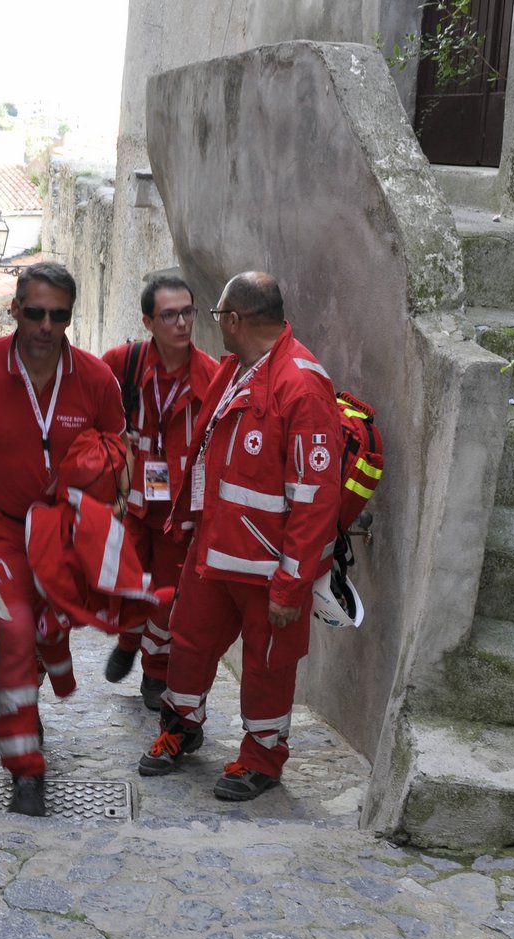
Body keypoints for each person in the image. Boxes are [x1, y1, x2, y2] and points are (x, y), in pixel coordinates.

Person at [137, 271, 342, 801]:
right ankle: (182, 726)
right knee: (188, 642)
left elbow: (315, 496)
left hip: (268, 569)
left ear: (234, 319)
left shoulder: (301, 383)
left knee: (268, 667)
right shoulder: (236, 370)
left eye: (216, 316)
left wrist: (291, 584)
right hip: (214, 551)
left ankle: (263, 758)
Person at [0, 262, 125, 816]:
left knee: (45, 629)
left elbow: (120, 452)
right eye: (36, 312)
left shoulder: (95, 379)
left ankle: (43, 668)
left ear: (69, 318)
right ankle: (24, 767)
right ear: (14, 310)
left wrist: (110, 507)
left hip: (64, 533)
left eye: (59, 315)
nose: (46, 325)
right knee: (16, 633)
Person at [100, 276, 218, 709]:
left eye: (188, 312)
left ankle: (154, 670)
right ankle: (129, 639)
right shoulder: (122, 363)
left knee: (168, 596)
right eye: (170, 315)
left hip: (178, 511)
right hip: (130, 505)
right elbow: (89, 407)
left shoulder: (211, 376)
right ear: (149, 321)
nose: (182, 323)